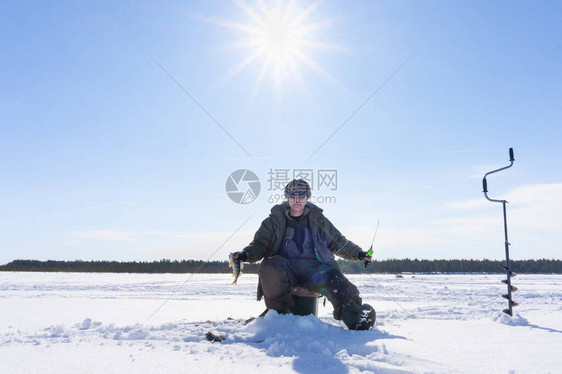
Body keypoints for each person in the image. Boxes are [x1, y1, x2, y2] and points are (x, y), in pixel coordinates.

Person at [231, 179, 376, 330]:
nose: (297, 200)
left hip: (315, 269)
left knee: (334, 279)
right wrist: (245, 255)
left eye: (301, 196)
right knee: (269, 267)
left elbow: (338, 242)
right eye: (293, 196)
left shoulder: (318, 219)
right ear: (287, 197)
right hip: (284, 267)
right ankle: (278, 316)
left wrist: (359, 253)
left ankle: (355, 318)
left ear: (307, 198)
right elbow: (260, 244)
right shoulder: (273, 221)